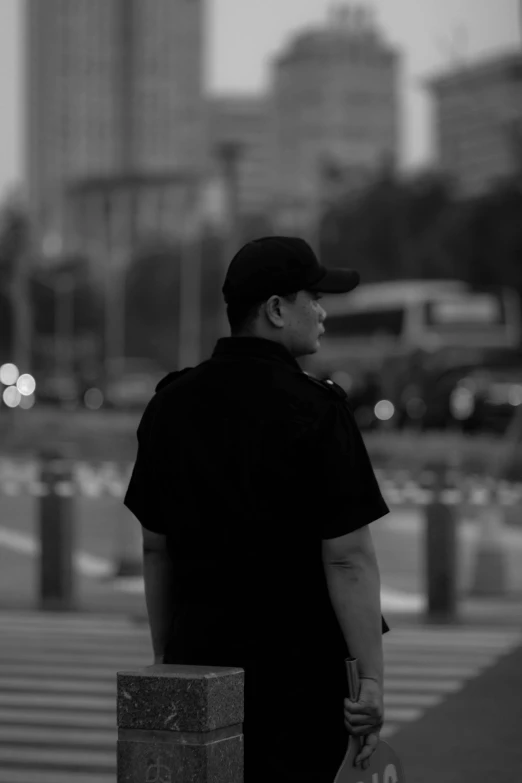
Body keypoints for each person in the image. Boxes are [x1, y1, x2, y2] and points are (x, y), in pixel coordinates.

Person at [124, 236, 390, 783]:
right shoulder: (318, 411)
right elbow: (348, 560)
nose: (322, 312)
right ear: (275, 309)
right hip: (300, 684)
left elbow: (157, 547)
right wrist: (371, 684)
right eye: (312, 297)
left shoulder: (169, 406)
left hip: (198, 668)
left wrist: (170, 661)